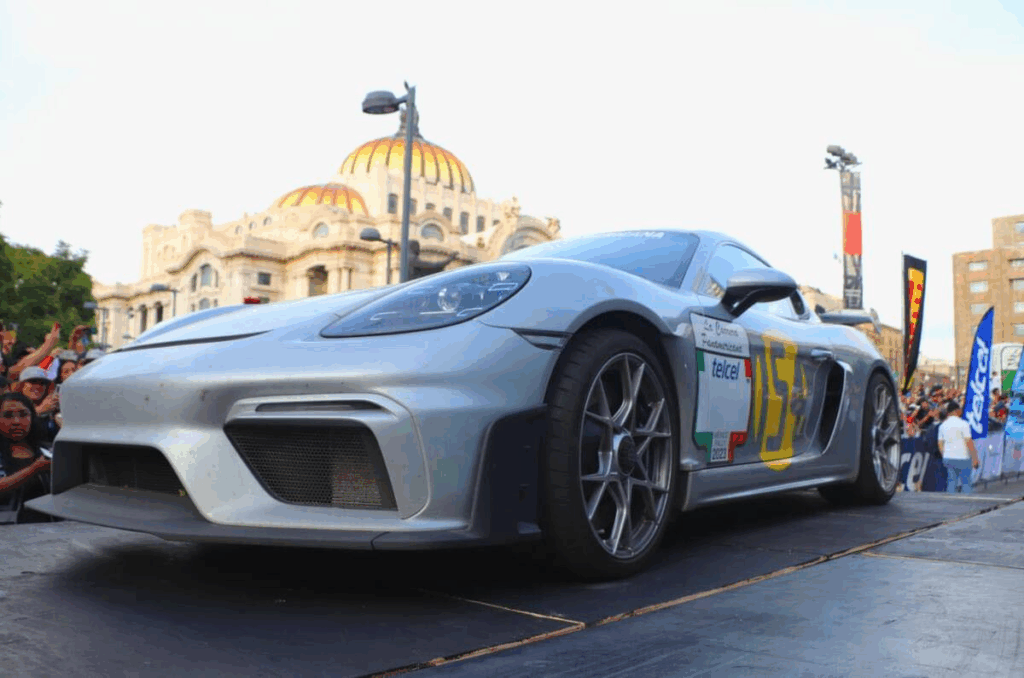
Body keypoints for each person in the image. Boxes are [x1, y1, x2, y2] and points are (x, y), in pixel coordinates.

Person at [0, 392, 53, 524]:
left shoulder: (46, 451)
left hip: (48, 531)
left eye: (23, 415)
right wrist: (33, 469)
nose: (16, 422)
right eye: (8, 416)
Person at [937, 400, 981, 494]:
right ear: (956, 410)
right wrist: (975, 458)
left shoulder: (942, 426)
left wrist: (944, 455)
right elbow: (969, 442)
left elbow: (940, 443)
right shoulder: (963, 424)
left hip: (948, 457)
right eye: (960, 409)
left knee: (951, 481)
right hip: (962, 457)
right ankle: (966, 503)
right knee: (966, 482)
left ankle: (951, 503)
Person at [16, 366, 60, 445]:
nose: (37, 386)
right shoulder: (12, 403)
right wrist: (39, 410)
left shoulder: (52, 406)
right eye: (33, 382)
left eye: (42, 383)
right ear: (22, 385)